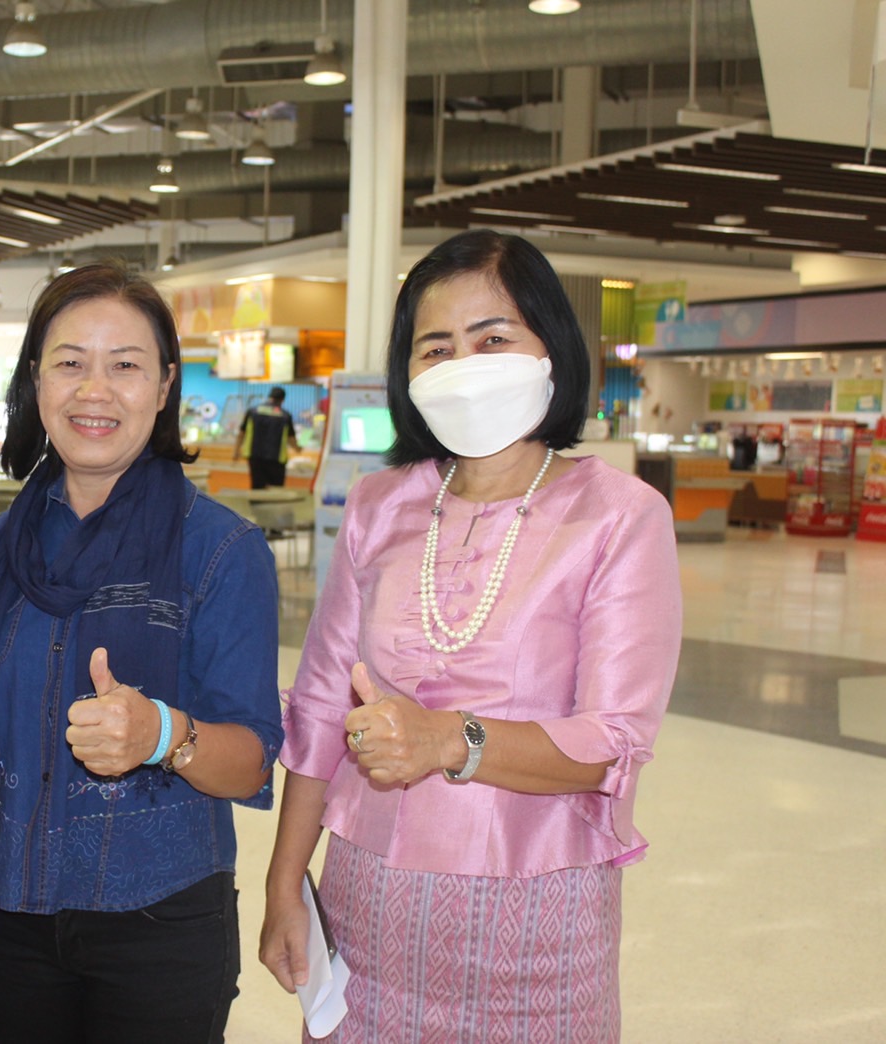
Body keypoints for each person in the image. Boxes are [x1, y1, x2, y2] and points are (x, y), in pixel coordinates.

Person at [258, 229, 681, 1042]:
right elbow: (318, 703)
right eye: (435, 347)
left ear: (550, 347)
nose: (463, 365)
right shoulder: (381, 505)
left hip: (537, 928)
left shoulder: (620, 517)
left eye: (491, 339)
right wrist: (285, 880)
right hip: (366, 913)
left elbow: (612, 741)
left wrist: (449, 739)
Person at [0, 261, 285, 1044]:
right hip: (14, 928)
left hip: (160, 925)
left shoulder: (221, 551)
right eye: (70, 363)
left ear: (163, 388)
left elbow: (252, 760)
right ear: (35, 382)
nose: (95, 390)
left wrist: (163, 734)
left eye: (125, 365)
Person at [235, 386, 301, 489]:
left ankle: (256, 504)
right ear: (282, 400)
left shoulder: (253, 411)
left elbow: (242, 433)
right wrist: (298, 448)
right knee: (275, 491)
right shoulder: (285, 415)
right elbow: (291, 438)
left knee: (257, 488)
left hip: (255, 456)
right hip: (276, 458)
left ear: (270, 396)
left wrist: (236, 451)